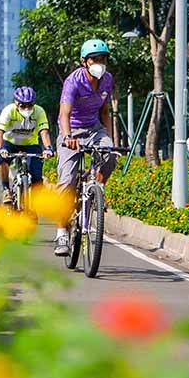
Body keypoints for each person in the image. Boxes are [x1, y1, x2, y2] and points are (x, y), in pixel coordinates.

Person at [53, 39, 116, 256]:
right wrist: (68, 136)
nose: (100, 63)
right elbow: (64, 114)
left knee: (110, 156)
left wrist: (110, 140)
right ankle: (62, 233)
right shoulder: (73, 81)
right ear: (84, 62)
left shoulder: (107, 80)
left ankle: (97, 189)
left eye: (103, 59)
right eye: (95, 59)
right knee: (67, 181)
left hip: (95, 128)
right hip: (71, 130)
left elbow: (105, 112)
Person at [0, 86, 54, 205]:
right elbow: (0, 131)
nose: (27, 108)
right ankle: (6, 189)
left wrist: (48, 148)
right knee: (1, 161)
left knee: (37, 177)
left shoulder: (39, 111)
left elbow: (44, 131)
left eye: (30, 105)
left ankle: (35, 203)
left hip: (31, 145)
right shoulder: (8, 110)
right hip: (10, 143)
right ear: (16, 103)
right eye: (23, 105)